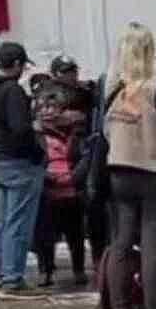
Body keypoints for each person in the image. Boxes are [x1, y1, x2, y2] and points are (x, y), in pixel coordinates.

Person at [97, 24, 156, 309]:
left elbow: (105, 134)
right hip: (155, 172)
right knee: (152, 246)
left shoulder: (112, 93)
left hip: (120, 171)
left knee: (121, 242)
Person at [0, 41, 50, 299]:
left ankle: (0, 274)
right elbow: (21, 130)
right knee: (18, 223)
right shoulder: (13, 91)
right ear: (17, 64)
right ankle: (12, 281)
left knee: (1, 222)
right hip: (19, 163)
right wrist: (38, 155)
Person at [32, 77, 90, 288]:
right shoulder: (34, 134)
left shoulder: (77, 130)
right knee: (44, 235)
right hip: (47, 191)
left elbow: (85, 157)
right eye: (43, 107)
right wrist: (45, 176)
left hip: (72, 190)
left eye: (53, 106)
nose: (47, 111)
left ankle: (79, 270)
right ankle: (45, 271)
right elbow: (32, 161)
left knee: (75, 235)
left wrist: (75, 176)